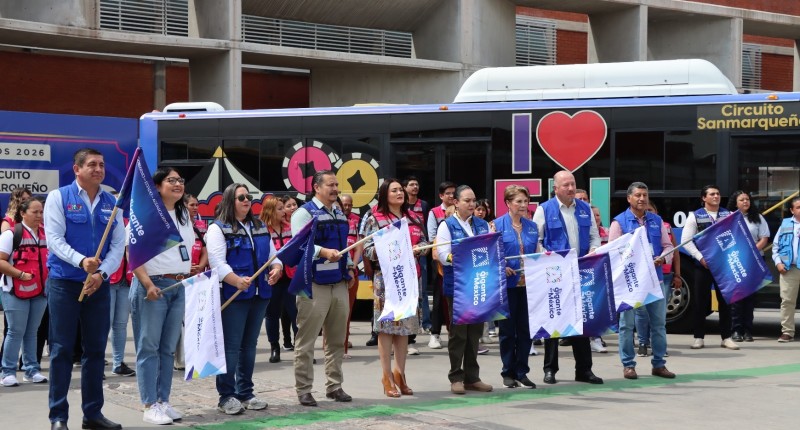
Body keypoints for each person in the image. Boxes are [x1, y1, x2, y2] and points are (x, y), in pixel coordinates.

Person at [44, 148, 125, 430]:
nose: (98, 169)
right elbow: (53, 239)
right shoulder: (58, 197)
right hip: (64, 283)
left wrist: (101, 273)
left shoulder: (112, 202)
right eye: (92, 165)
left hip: (98, 287)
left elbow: (118, 245)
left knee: (95, 351)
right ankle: (58, 417)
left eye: (102, 165)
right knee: (62, 350)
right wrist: (82, 262)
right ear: (77, 169)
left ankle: (92, 415)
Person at [127, 168, 195, 424]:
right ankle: (148, 404)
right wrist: (146, 284)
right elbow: (132, 254)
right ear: (157, 186)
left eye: (181, 180)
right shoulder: (145, 215)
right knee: (149, 347)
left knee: (168, 350)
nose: (178, 184)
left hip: (178, 285)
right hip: (153, 287)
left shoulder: (184, 215)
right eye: (171, 180)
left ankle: (163, 401)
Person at [207, 183, 282, 415]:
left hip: (260, 294)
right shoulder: (218, 228)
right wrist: (235, 280)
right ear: (231, 200)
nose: (247, 200)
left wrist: (277, 268)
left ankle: (245, 392)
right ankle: (226, 396)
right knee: (231, 347)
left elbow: (273, 255)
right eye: (241, 197)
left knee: (249, 346)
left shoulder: (259, 226)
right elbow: (217, 262)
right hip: (235, 294)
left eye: (249, 197)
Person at [291, 170, 356, 407]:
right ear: (316, 187)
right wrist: (322, 252)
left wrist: (348, 266)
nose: (335, 189)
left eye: (337, 184)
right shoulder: (303, 213)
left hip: (338, 283)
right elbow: (297, 246)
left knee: (337, 340)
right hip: (313, 285)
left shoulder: (339, 212)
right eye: (331, 184)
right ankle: (304, 389)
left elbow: (343, 245)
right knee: (306, 341)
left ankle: (334, 386)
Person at [532, 170, 603, 385]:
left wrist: (592, 251)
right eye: (566, 185)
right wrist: (551, 261)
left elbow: (594, 236)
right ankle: (550, 369)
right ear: (556, 188)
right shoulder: (544, 210)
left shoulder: (584, 209)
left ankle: (584, 370)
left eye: (573, 184)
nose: (571, 189)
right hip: (555, 274)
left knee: (581, 324)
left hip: (580, 272)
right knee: (554, 321)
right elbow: (538, 241)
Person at [362, 179, 427, 397]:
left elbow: (426, 244)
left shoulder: (414, 218)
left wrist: (420, 248)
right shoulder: (375, 220)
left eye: (401, 189)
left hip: (410, 278)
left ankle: (401, 374)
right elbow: (368, 251)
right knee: (387, 328)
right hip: (386, 280)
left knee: (405, 328)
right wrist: (390, 250)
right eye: (395, 190)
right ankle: (387, 376)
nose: (400, 192)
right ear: (384, 194)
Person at [609, 182, 676, 380]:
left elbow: (667, 246)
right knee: (627, 325)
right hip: (630, 283)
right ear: (629, 198)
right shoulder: (619, 222)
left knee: (658, 324)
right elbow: (613, 252)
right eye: (638, 195)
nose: (642, 199)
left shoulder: (656, 221)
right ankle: (628, 365)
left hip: (655, 279)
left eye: (645, 195)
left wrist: (663, 257)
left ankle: (659, 364)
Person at [435, 185, 494, 395]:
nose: (472, 205)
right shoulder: (447, 226)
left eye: (473, 201)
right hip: (458, 286)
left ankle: (472, 377)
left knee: (475, 333)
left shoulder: (483, 225)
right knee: (458, 333)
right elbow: (443, 254)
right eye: (467, 201)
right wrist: (463, 257)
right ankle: (456, 377)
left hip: (478, 284)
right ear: (456, 203)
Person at [680, 185, 739, 350]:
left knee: (726, 301)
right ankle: (699, 337)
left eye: (718, 194)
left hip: (723, 266)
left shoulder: (728, 215)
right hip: (703, 266)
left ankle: (726, 337)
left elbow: (736, 238)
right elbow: (686, 241)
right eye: (712, 194)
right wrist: (700, 258)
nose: (716, 196)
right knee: (701, 302)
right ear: (703, 198)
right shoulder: (695, 216)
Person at [492, 185, 538, 389]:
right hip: (507, 286)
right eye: (518, 201)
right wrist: (503, 266)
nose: (523, 205)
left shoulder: (532, 226)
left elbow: (536, 252)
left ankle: (522, 371)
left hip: (528, 285)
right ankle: (507, 371)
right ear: (508, 203)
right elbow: (491, 255)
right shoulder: (495, 225)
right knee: (507, 331)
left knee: (525, 330)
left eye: (525, 201)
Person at [0, 196, 48, 387]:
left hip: (40, 291)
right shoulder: (11, 235)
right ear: (22, 213)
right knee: (15, 331)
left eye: (41, 212)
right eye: (34, 212)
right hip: (14, 291)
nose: (39, 215)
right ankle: (8, 372)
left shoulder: (46, 235)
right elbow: (1, 261)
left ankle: (31, 370)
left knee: (32, 332)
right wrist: (19, 274)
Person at [635, 201, 682, 357]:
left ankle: (659, 346)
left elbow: (674, 251)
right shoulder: (635, 226)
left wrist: (677, 274)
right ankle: (642, 343)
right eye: (646, 210)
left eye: (651, 210)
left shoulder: (664, 226)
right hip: (641, 277)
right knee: (641, 312)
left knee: (658, 315)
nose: (649, 213)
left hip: (664, 275)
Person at [259, 196, 298, 363]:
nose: (285, 211)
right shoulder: (262, 230)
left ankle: (301, 349)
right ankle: (274, 347)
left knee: (296, 313)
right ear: (270, 211)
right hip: (272, 278)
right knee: (272, 314)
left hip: (290, 276)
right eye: (280, 209)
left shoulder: (290, 227)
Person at [727, 191, 769, 342]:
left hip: (754, 260)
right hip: (735, 260)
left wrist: (751, 251)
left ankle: (748, 331)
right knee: (737, 297)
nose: (746, 202)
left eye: (747, 199)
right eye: (742, 199)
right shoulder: (728, 218)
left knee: (750, 297)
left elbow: (764, 238)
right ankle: (736, 330)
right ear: (735, 202)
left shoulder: (758, 218)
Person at [107, 192, 135, 378]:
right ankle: (95, 361)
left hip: (126, 279)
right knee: (103, 323)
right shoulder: (104, 225)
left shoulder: (130, 223)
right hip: (108, 279)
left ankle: (118, 362)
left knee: (121, 324)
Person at [427, 181, 456, 350]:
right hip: (440, 261)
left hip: (457, 263)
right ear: (441, 196)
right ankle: (435, 334)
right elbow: (432, 237)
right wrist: (441, 252)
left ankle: (454, 333)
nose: (451, 196)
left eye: (454, 193)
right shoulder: (435, 212)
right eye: (448, 193)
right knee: (438, 300)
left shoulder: (460, 210)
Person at [403, 176, 432, 335]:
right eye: (411, 184)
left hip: (419, 251)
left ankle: (426, 323)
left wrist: (423, 246)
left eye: (417, 184)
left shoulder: (424, 205)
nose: (415, 187)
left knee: (422, 289)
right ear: (405, 187)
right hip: (403, 253)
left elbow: (425, 227)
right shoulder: (400, 205)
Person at [772, 196, 800, 343]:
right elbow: (775, 247)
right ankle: (787, 332)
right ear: (792, 210)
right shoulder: (785, 224)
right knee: (787, 301)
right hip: (789, 268)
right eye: (798, 207)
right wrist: (778, 263)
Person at [339, 194, 363, 357]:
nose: (347, 207)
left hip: (351, 271)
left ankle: (344, 345)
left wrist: (353, 266)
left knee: (347, 310)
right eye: (344, 205)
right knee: (333, 313)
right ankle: (330, 345)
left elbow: (360, 245)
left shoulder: (357, 220)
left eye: (350, 205)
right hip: (334, 270)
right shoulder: (334, 218)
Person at [279, 194, 301, 351]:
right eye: (289, 206)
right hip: (280, 274)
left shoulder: (299, 225)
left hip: (295, 273)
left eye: (294, 204)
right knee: (283, 311)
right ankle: (286, 340)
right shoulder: (280, 227)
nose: (293, 207)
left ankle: (298, 341)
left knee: (295, 310)